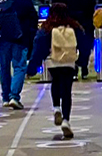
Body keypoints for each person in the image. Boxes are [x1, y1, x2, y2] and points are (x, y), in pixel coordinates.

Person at [28, 8, 80, 139]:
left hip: (53, 60)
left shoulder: (47, 28)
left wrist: (33, 66)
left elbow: (38, 47)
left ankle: (56, 108)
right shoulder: (74, 26)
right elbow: (84, 43)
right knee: (67, 90)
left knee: (55, 82)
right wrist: (83, 61)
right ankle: (66, 121)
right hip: (69, 61)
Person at [60, 0, 97, 79]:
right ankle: (82, 68)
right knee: (85, 49)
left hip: (71, 27)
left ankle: (75, 69)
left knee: (71, 50)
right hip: (85, 28)